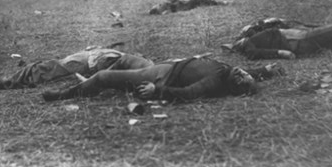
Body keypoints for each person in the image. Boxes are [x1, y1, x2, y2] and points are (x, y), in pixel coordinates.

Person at [42, 56, 284, 103]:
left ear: (233, 88)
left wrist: (157, 92)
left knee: (105, 76)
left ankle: (64, 95)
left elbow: (189, 93)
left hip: (161, 75)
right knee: (127, 58)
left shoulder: (217, 81)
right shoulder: (232, 72)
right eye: (245, 74)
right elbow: (248, 72)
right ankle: (95, 82)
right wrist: (266, 70)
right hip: (165, 64)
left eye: (241, 80)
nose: (242, 74)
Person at [0, 47, 154, 92]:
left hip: (86, 62)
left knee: (42, 68)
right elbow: (111, 72)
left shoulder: (142, 68)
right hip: (90, 59)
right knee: (43, 67)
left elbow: (108, 75)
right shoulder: (142, 66)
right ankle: (5, 81)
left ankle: (4, 83)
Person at [222, 18, 332, 60]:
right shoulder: (249, 47)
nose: (238, 41)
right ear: (237, 48)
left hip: (296, 36)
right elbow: (254, 54)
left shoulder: (250, 37)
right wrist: (280, 52)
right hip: (297, 41)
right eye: (235, 45)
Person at [149, 0, 229, 15]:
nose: (159, 5)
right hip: (186, 5)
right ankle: (221, 2)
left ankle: (221, 1)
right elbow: (177, 7)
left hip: (186, 1)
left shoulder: (166, 5)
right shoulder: (167, 9)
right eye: (158, 7)